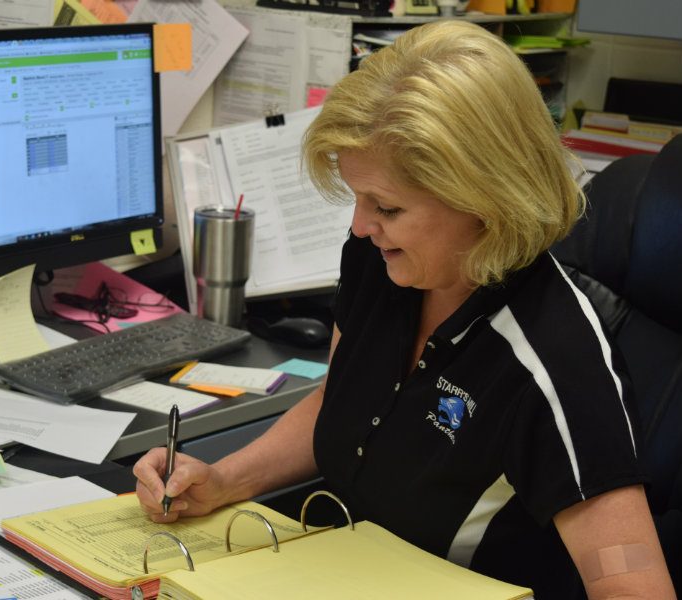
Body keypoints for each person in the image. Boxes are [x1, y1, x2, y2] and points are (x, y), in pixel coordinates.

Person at [133, 20, 676, 599]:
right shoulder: (380, 260)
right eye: (359, 199)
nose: (360, 226)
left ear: (484, 200)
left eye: (387, 207)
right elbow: (339, 396)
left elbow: (635, 585)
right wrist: (222, 480)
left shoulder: (557, 362)